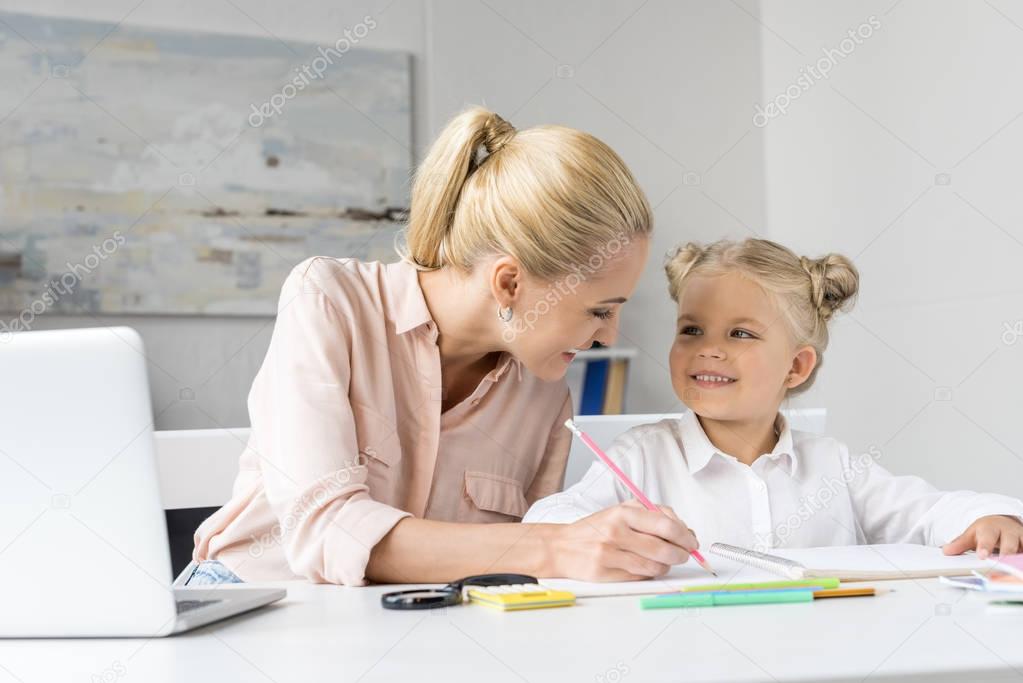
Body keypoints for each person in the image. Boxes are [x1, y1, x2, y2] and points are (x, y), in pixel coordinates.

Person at [525, 238, 1023, 561]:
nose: (709, 349)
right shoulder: (640, 458)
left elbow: (929, 512)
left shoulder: (834, 466)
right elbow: (548, 521)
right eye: (691, 330)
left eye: (740, 334)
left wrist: (990, 518)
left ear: (796, 366)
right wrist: (607, 530)